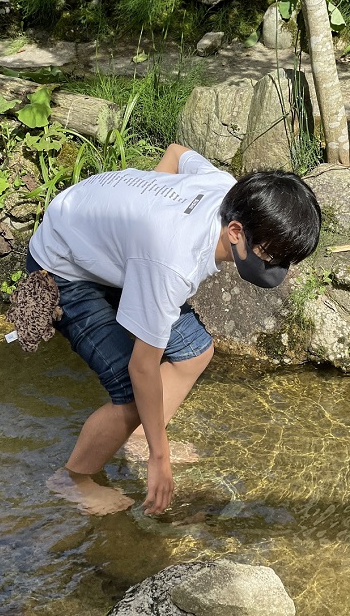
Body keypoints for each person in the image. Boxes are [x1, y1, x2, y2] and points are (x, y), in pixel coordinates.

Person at [26, 143, 322, 516]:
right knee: (130, 393)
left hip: (112, 246)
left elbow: (176, 152)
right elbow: (141, 368)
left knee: (195, 351)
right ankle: (72, 479)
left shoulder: (224, 188)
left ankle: (135, 437)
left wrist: (143, 230)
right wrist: (159, 457)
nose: (278, 265)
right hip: (63, 264)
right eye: (270, 254)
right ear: (235, 230)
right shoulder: (172, 262)